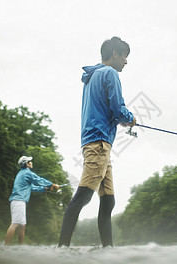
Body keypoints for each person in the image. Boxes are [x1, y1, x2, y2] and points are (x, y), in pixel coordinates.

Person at [58, 36, 136, 247]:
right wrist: (131, 120)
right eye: (125, 56)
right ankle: (61, 249)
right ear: (115, 54)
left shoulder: (93, 76)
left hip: (98, 144)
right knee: (83, 196)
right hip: (99, 143)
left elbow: (106, 109)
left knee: (108, 199)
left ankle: (107, 249)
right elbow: (118, 109)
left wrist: (121, 120)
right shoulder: (110, 73)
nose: (126, 62)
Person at [5, 155, 60, 245]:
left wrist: (46, 188)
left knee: (22, 225)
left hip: (19, 201)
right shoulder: (27, 173)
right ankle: (5, 247)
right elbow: (38, 180)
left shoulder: (22, 173)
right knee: (15, 223)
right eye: (30, 161)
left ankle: (20, 247)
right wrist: (52, 184)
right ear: (27, 164)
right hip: (19, 201)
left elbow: (33, 188)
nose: (31, 162)